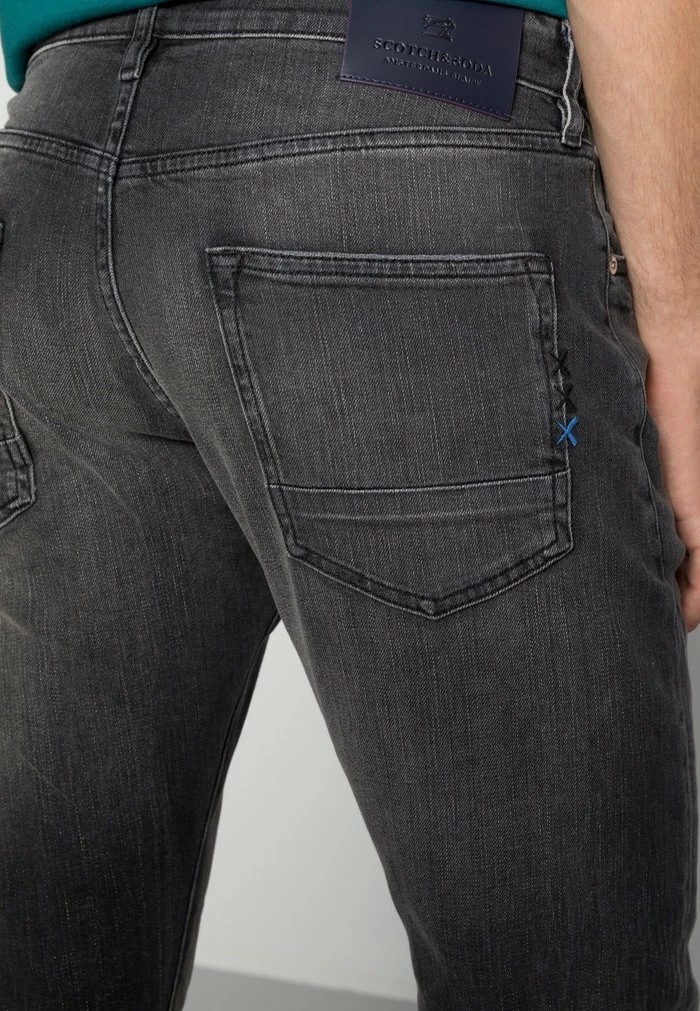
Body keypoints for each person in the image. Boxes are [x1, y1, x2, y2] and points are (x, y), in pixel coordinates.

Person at [0, 0, 697, 1007]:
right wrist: (683, 328)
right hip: (406, 117)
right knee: (560, 967)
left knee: (46, 941)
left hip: (58, 155)